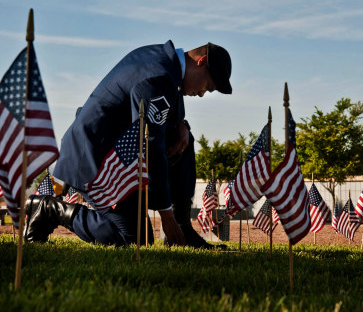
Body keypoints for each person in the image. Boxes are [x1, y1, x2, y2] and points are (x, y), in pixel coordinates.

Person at [23, 40, 232, 248]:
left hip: (120, 153)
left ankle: (182, 229)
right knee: (133, 239)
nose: (203, 93)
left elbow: (161, 123)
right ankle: (48, 209)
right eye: (208, 86)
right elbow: (150, 145)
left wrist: (182, 126)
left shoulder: (167, 66)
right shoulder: (159, 75)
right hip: (95, 157)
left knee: (183, 138)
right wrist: (166, 215)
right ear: (201, 62)